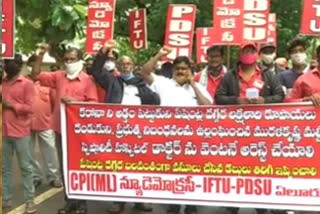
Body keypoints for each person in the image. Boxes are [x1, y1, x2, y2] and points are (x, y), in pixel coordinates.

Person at [90, 40, 160, 214]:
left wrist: (144, 93)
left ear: (133, 66)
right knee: (118, 166)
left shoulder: (141, 84)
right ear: (118, 66)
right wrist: (104, 51)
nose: (126, 66)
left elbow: (156, 101)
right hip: (117, 131)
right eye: (122, 64)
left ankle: (140, 200)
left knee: (139, 166)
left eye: (129, 64)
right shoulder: (112, 81)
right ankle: (118, 201)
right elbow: (96, 71)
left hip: (138, 133)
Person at [141, 47, 213, 214]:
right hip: (169, 139)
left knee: (192, 172)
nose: (181, 71)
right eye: (178, 69)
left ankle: (191, 204)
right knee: (172, 172)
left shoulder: (198, 87)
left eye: (184, 69)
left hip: (192, 140)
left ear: (190, 71)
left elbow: (208, 106)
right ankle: (173, 203)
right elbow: (144, 73)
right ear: (173, 70)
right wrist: (159, 54)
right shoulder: (163, 83)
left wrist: (193, 84)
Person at [215, 41, 284, 214]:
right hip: (235, 130)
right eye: (245, 50)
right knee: (235, 167)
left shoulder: (268, 75)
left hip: (262, 130)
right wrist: (235, 101)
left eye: (251, 50)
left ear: (257, 54)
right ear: (240, 54)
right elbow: (219, 97)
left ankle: (261, 206)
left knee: (260, 167)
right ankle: (233, 206)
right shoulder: (230, 76)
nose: (248, 53)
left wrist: (265, 101)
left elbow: (280, 95)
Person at [31, 45, 98, 214]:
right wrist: (40, 54)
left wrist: (76, 104)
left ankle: (82, 203)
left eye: (72, 59)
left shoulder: (87, 80)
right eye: (66, 59)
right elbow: (36, 74)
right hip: (61, 130)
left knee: (80, 166)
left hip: (79, 133)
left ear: (79, 60)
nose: (68, 62)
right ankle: (70, 201)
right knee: (64, 167)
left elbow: (94, 105)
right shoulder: (59, 77)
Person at [2, 54, 37, 213]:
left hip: (21, 132)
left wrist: (12, 105)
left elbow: (30, 108)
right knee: (5, 168)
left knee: (26, 168)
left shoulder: (27, 84)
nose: (10, 65)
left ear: (20, 64)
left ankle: (30, 200)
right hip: (4, 132)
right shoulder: (2, 83)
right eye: (7, 62)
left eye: (13, 63)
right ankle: (6, 200)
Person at [26, 55, 62, 189]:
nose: (33, 67)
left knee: (50, 150)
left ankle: (53, 177)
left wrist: (53, 119)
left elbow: (54, 102)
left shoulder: (48, 83)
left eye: (36, 64)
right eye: (31, 64)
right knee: (29, 152)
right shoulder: (23, 81)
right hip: (26, 123)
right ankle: (35, 177)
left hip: (46, 122)